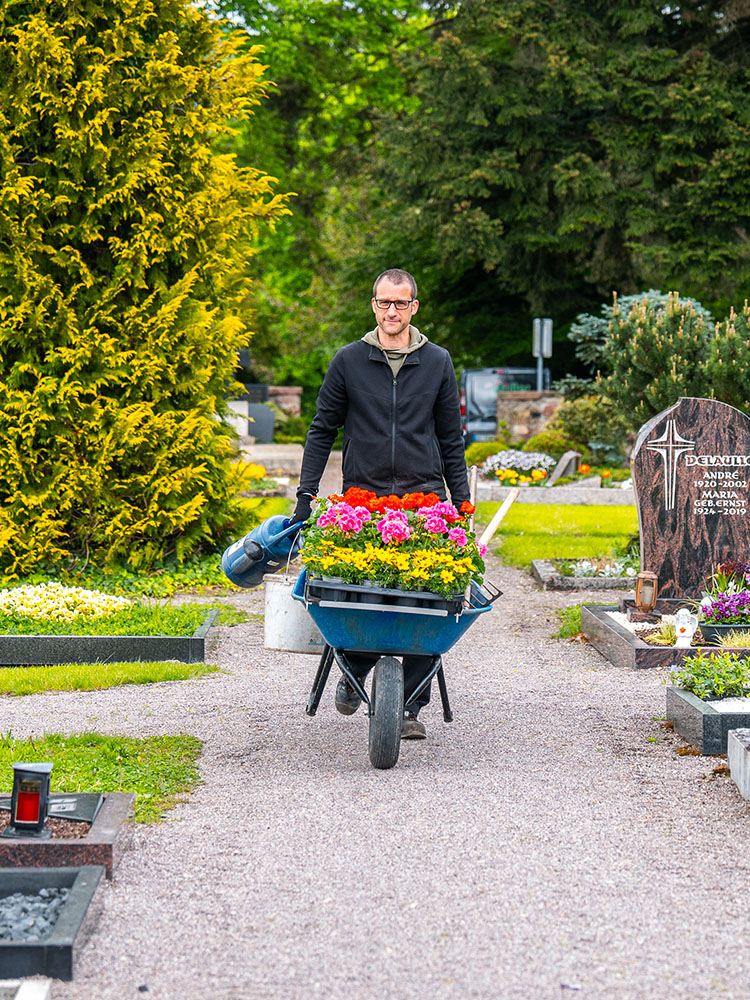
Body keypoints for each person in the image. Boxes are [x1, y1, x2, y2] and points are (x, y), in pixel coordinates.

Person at [290, 268, 471, 740]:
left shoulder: (437, 362)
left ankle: (410, 704)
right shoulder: (349, 360)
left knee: (428, 603)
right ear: (374, 305)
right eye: (384, 303)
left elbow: (451, 437)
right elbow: (321, 430)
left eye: (401, 303)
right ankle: (353, 669)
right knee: (357, 593)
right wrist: (305, 496)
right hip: (362, 500)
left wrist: (462, 503)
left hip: (424, 499)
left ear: (414, 306)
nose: (392, 311)